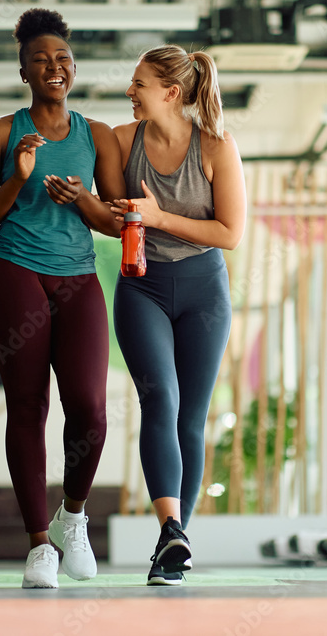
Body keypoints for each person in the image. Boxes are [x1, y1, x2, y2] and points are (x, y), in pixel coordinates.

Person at [0, 9, 125, 589]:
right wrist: (18, 177)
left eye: (62, 59)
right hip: (15, 271)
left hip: (78, 277)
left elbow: (117, 219)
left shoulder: (97, 135)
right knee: (28, 406)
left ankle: (71, 518)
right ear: (24, 71)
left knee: (90, 408)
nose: (53, 67)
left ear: (73, 68)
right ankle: (38, 547)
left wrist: (82, 201)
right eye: (41, 60)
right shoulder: (0, 135)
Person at [109, 45, 246, 585]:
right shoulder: (124, 142)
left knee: (192, 416)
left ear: (170, 92)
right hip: (142, 288)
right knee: (159, 398)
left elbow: (230, 234)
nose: (130, 91)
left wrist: (160, 215)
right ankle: (170, 528)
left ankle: (175, 544)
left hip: (203, 289)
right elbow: (108, 208)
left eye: (139, 83)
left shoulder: (216, 146)